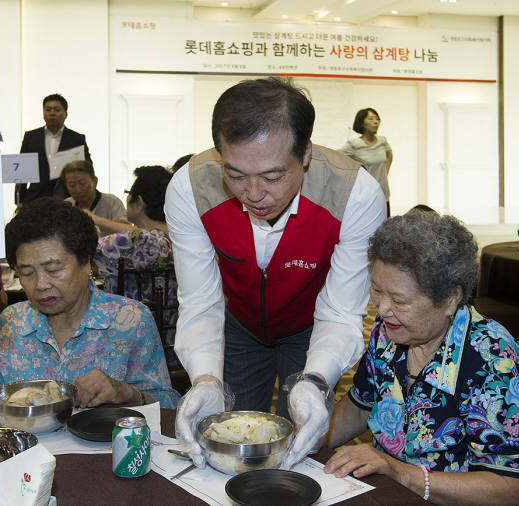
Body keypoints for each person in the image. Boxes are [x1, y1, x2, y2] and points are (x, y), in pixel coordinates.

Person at [165, 77, 386, 470]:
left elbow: (340, 311)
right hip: (239, 323)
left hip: (311, 324)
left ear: (305, 155)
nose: (253, 193)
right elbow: (200, 300)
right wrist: (204, 380)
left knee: (302, 439)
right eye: (234, 174)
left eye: (272, 176)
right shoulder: (189, 188)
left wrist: (317, 381)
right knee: (229, 435)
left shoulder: (356, 194)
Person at [323, 210, 519, 505]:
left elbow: (512, 489)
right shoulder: (389, 332)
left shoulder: (494, 363)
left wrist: (401, 473)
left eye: (399, 299)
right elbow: (360, 406)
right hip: (394, 494)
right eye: (377, 289)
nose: (382, 308)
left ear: (451, 299)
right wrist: (306, 440)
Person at [0, 198, 180, 409]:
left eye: (53, 269)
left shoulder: (130, 319)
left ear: (86, 262)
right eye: (27, 273)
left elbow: (168, 405)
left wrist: (126, 393)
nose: (41, 284)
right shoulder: (12, 322)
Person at [93, 166, 177, 366]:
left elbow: (78, 252)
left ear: (139, 202)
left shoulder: (132, 241)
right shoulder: (182, 237)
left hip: (131, 347)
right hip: (176, 343)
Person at [16, 94, 91, 204]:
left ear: (65, 114)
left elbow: (87, 166)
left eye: (57, 110)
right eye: (48, 109)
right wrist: (19, 200)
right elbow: (22, 170)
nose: (52, 113)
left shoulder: (77, 138)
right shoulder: (31, 137)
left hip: (67, 196)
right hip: (35, 196)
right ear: (43, 113)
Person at [339, 108, 393, 216]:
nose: (375, 122)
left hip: (383, 192)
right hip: (365, 196)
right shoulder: (353, 144)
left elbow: (390, 155)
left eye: (377, 119)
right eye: (371, 118)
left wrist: (385, 172)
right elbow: (338, 158)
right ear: (362, 123)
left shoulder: (382, 141)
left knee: (385, 229)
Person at [60, 160, 127, 233]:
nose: (78, 190)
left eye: (82, 184)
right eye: (71, 185)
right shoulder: (66, 205)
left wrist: (97, 221)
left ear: (95, 181)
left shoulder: (112, 202)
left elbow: (127, 228)